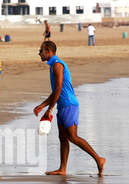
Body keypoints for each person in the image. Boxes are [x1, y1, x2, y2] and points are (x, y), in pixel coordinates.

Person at [33, 41, 105, 176]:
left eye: (41, 51)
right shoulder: (52, 66)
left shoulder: (57, 65)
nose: (39, 53)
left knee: (73, 137)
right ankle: (62, 169)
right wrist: (43, 105)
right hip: (62, 105)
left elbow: (59, 88)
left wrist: (50, 108)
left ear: (49, 52)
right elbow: (55, 90)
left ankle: (99, 159)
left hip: (69, 104)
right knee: (63, 137)